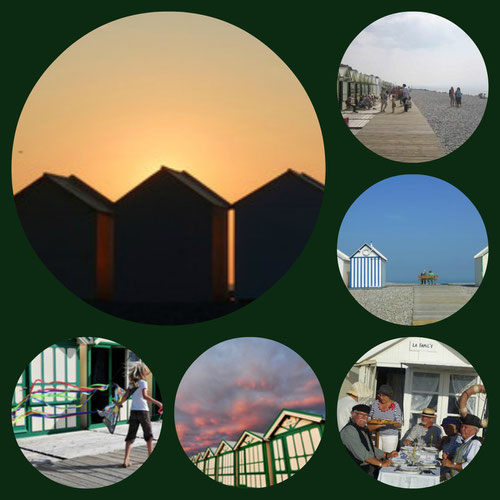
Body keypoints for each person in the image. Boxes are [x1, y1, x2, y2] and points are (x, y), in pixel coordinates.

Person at [118, 362, 163, 467]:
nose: (147, 374)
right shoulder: (143, 383)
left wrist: (119, 403)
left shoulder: (132, 384)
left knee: (130, 435)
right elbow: (145, 396)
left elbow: (125, 396)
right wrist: (158, 403)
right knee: (148, 434)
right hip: (143, 411)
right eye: (146, 373)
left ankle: (126, 460)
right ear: (142, 373)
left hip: (133, 411)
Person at [340, 404, 398, 478]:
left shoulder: (360, 428)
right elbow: (363, 454)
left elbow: (369, 448)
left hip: (368, 467)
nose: (364, 418)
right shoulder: (349, 431)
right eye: (361, 415)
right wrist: (380, 463)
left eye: (367, 415)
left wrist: (387, 455)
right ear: (353, 414)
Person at [442, 414, 482, 478]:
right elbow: (461, 459)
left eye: (466, 427)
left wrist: (452, 464)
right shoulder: (465, 441)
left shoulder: (475, 443)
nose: (462, 429)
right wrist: (450, 457)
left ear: (475, 431)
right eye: (462, 426)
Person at [368, 385, 403, 452]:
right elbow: (369, 417)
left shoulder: (395, 406)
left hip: (389, 436)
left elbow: (399, 424)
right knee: (375, 456)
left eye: (383, 396)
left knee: (388, 457)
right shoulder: (375, 403)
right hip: (375, 435)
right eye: (380, 395)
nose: (381, 397)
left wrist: (390, 423)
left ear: (389, 396)